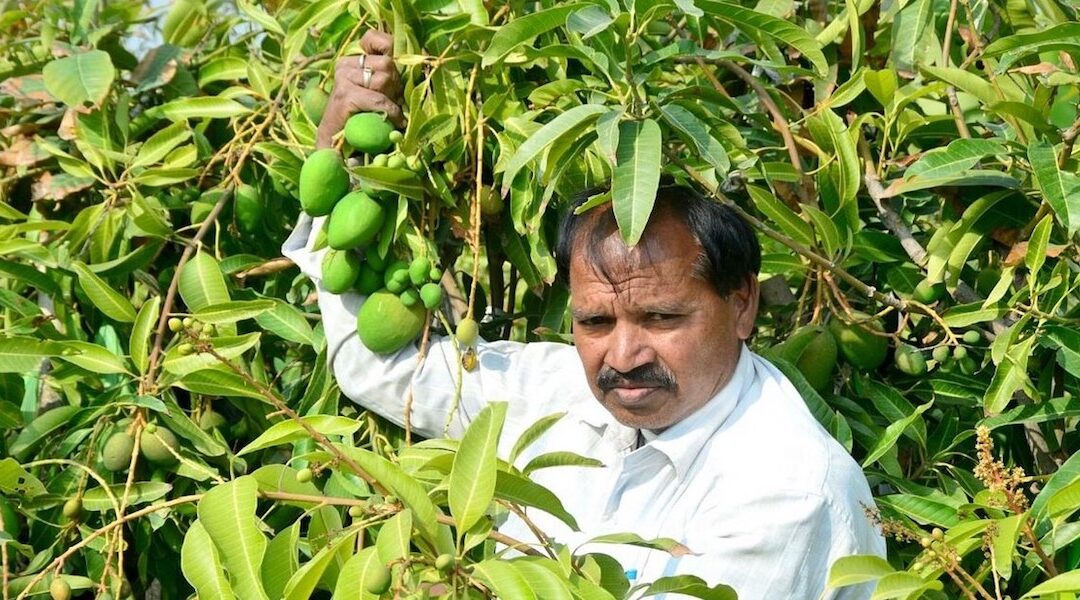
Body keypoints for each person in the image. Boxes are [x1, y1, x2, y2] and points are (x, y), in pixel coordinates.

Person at [284, 30, 886, 599]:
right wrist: (340, 151)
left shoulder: (784, 490)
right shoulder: (557, 394)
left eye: (661, 319)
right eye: (595, 322)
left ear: (741, 304)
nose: (622, 356)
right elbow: (383, 366)